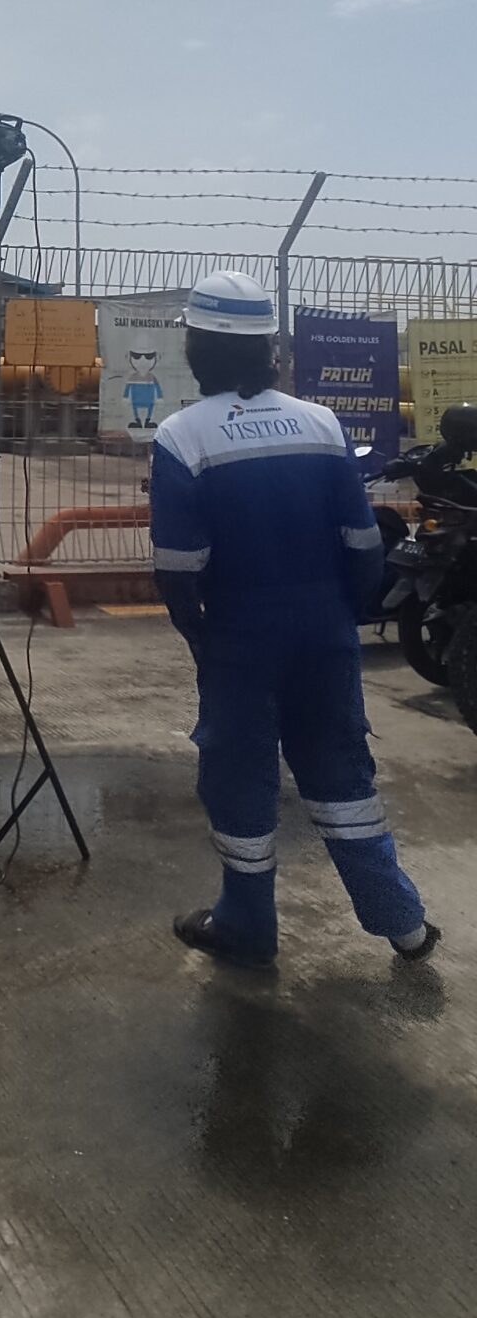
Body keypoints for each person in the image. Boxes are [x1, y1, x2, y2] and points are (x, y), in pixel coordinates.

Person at [149, 268, 437, 967]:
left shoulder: (183, 436)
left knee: (238, 773)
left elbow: (179, 566)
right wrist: (341, 614)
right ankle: (403, 924)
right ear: (269, 349)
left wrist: (200, 635)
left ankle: (247, 928)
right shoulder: (321, 423)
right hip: (324, 628)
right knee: (342, 773)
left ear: (196, 347)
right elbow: (363, 542)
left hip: (239, 635)